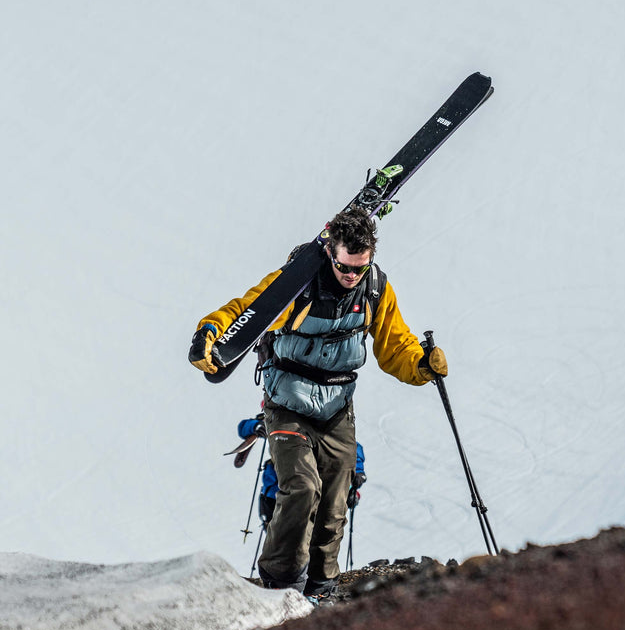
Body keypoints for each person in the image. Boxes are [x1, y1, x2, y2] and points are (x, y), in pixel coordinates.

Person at [190, 207, 447, 602]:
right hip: (287, 404)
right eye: (346, 267)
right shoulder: (296, 284)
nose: (352, 276)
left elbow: (395, 345)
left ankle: (320, 588)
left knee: (335, 499)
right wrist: (211, 333)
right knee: (303, 488)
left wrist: (421, 364)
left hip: (337, 409)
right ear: (330, 253)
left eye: (361, 268)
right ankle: (281, 584)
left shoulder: (375, 288)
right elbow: (246, 311)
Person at [237, 414, 367, 528]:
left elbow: (351, 448)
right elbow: (244, 427)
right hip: (279, 493)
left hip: (298, 494)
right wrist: (256, 426)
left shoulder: (307, 423)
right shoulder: (276, 421)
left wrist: (356, 476)